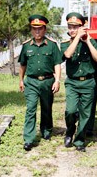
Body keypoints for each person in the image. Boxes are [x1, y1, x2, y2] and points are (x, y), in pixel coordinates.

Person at [18, 15, 62, 151]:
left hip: (47, 81)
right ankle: (29, 138)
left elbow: (57, 64)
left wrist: (57, 80)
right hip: (31, 82)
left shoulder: (52, 45)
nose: (37, 31)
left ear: (44, 29)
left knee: (46, 107)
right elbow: (23, 65)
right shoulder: (26, 46)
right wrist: (21, 80)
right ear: (31, 30)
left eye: (40, 29)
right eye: (34, 29)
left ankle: (47, 130)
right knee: (30, 109)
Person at [60, 12, 97, 152]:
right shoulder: (65, 43)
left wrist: (88, 40)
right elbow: (67, 55)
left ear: (82, 27)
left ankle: (79, 140)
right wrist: (77, 38)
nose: (72, 30)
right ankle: (70, 131)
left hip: (88, 83)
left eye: (75, 27)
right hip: (72, 82)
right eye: (70, 27)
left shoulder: (90, 41)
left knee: (85, 113)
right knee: (70, 111)